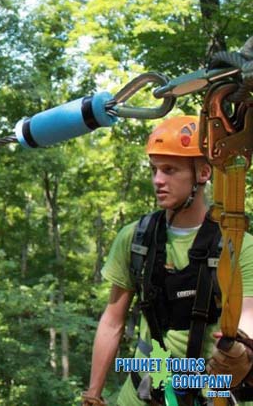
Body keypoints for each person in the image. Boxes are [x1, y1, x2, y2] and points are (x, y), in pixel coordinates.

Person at [81, 115, 253, 406]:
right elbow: (112, 321)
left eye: (170, 170)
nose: (158, 180)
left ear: (202, 173)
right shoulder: (136, 239)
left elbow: (248, 312)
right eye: (154, 170)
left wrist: (242, 345)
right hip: (143, 394)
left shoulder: (238, 245)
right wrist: (93, 395)